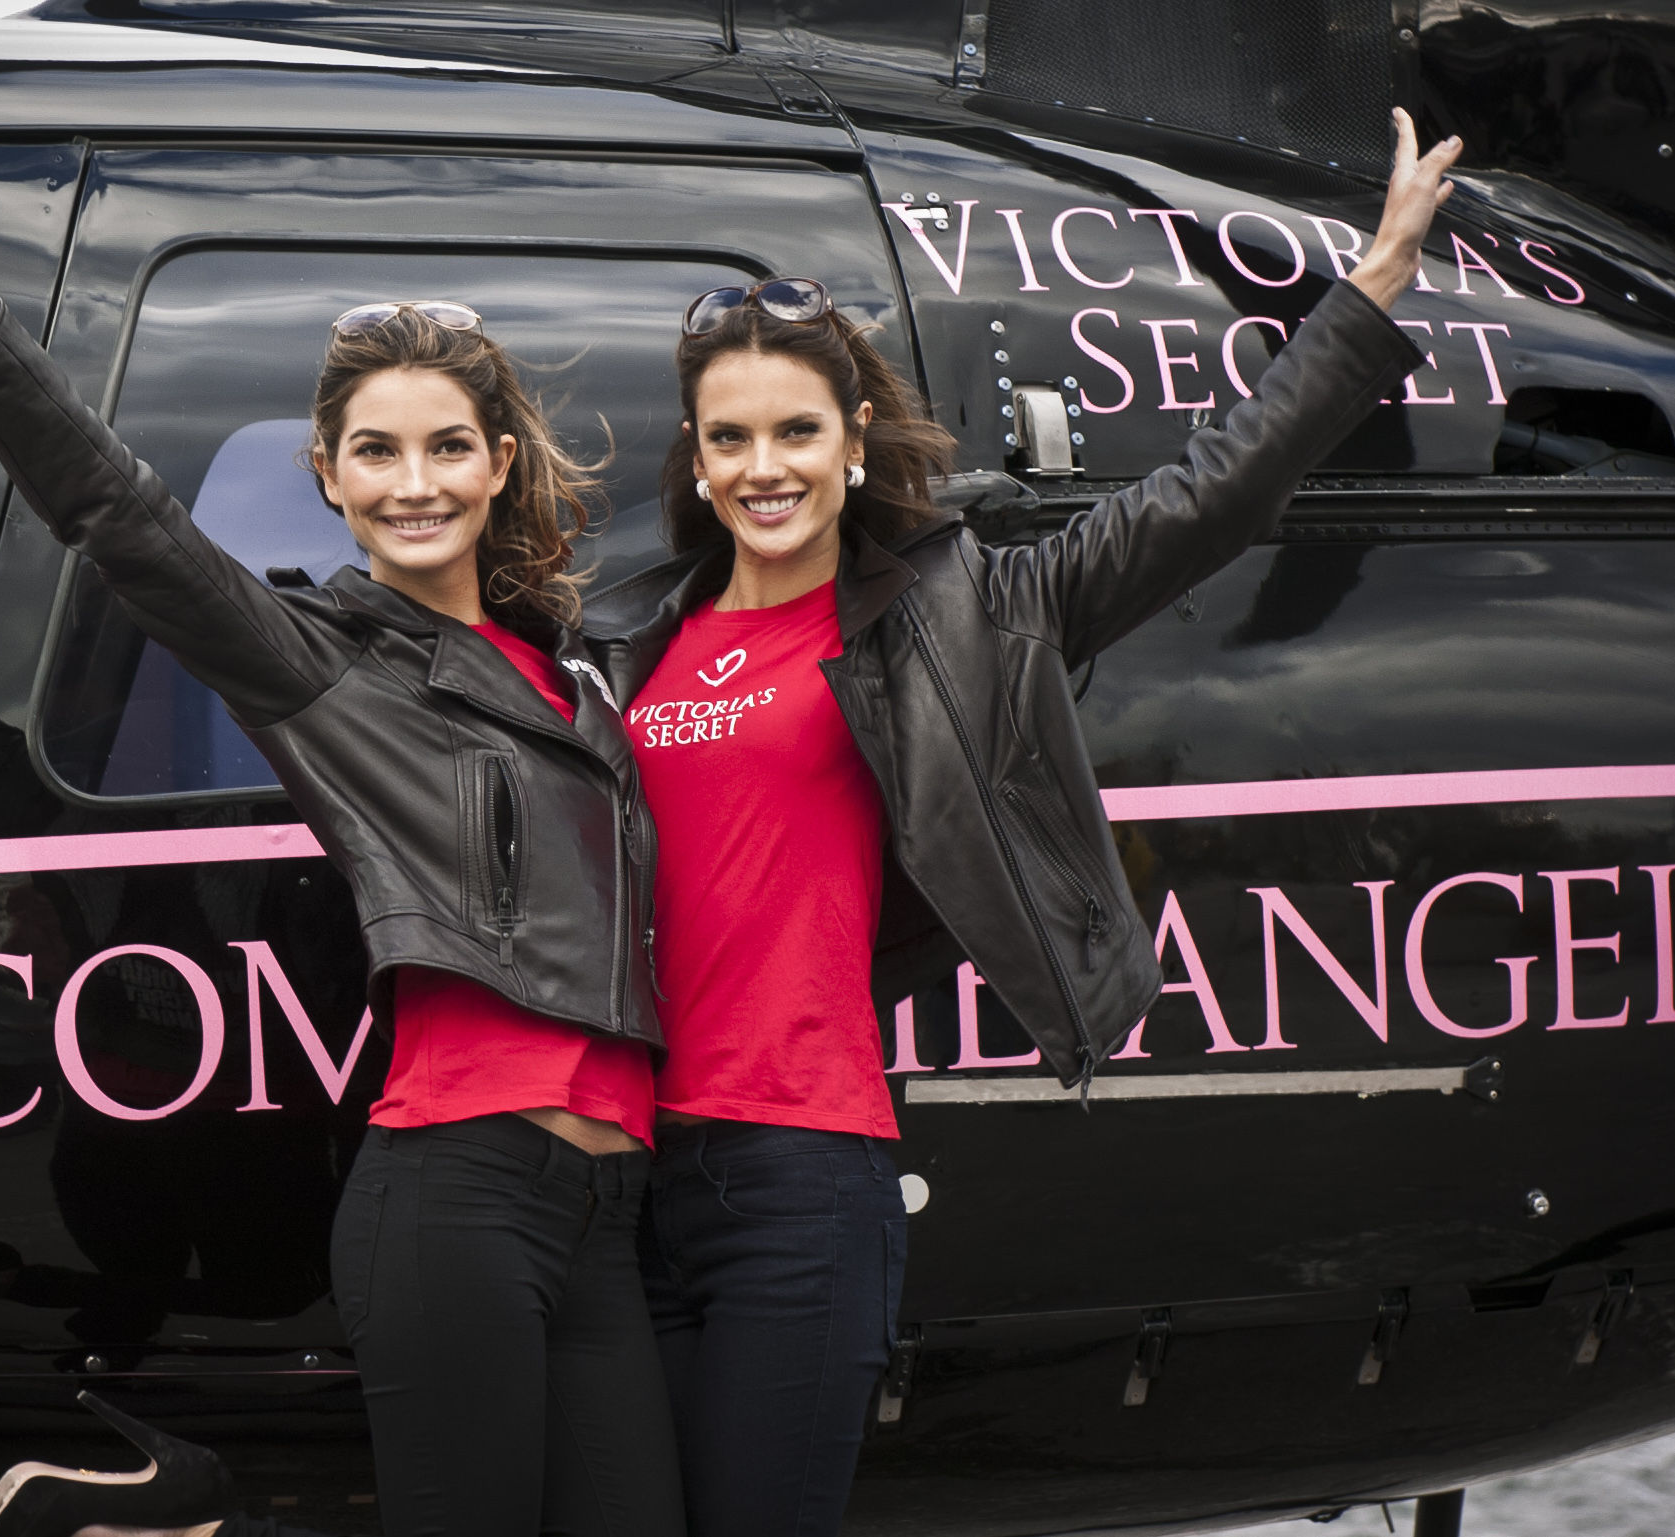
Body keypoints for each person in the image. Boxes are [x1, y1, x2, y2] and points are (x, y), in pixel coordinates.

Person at [580, 109, 1461, 1536]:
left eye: (795, 429)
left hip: (797, 1174)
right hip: (621, 1178)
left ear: (852, 437)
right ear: (693, 454)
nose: (764, 466)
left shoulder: (963, 613)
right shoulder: (633, 643)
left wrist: (1363, 297)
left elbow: (1203, 500)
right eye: (729, 435)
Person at [0, 126, 683, 1537]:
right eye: (375, 453)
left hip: (607, 1208)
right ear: (329, 478)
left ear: (499, 462)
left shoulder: (573, 666)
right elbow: (114, 511)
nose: (415, 482)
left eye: (447, 446)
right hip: (457, 1190)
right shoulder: (322, 661)